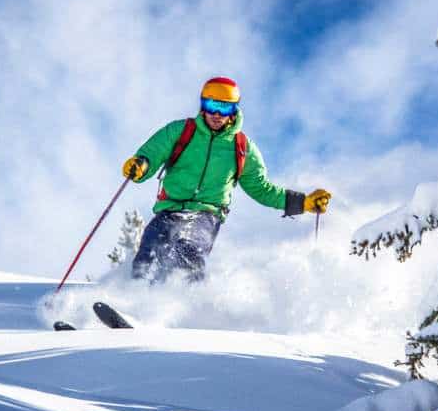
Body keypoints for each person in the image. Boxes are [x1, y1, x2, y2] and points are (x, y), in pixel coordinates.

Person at [121, 76, 330, 282]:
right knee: (150, 250)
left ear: (234, 110)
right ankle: (137, 298)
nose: (217, 114)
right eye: (212, 105)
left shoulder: (242, 147)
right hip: (170, 208)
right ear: (203, 105)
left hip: (206, 214)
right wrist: (140, 165)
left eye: (225, 108)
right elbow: (152, 153)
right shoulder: (181, 131)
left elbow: (262, 189)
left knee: (189, 249)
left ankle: (183, 302)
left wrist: (303, 202)